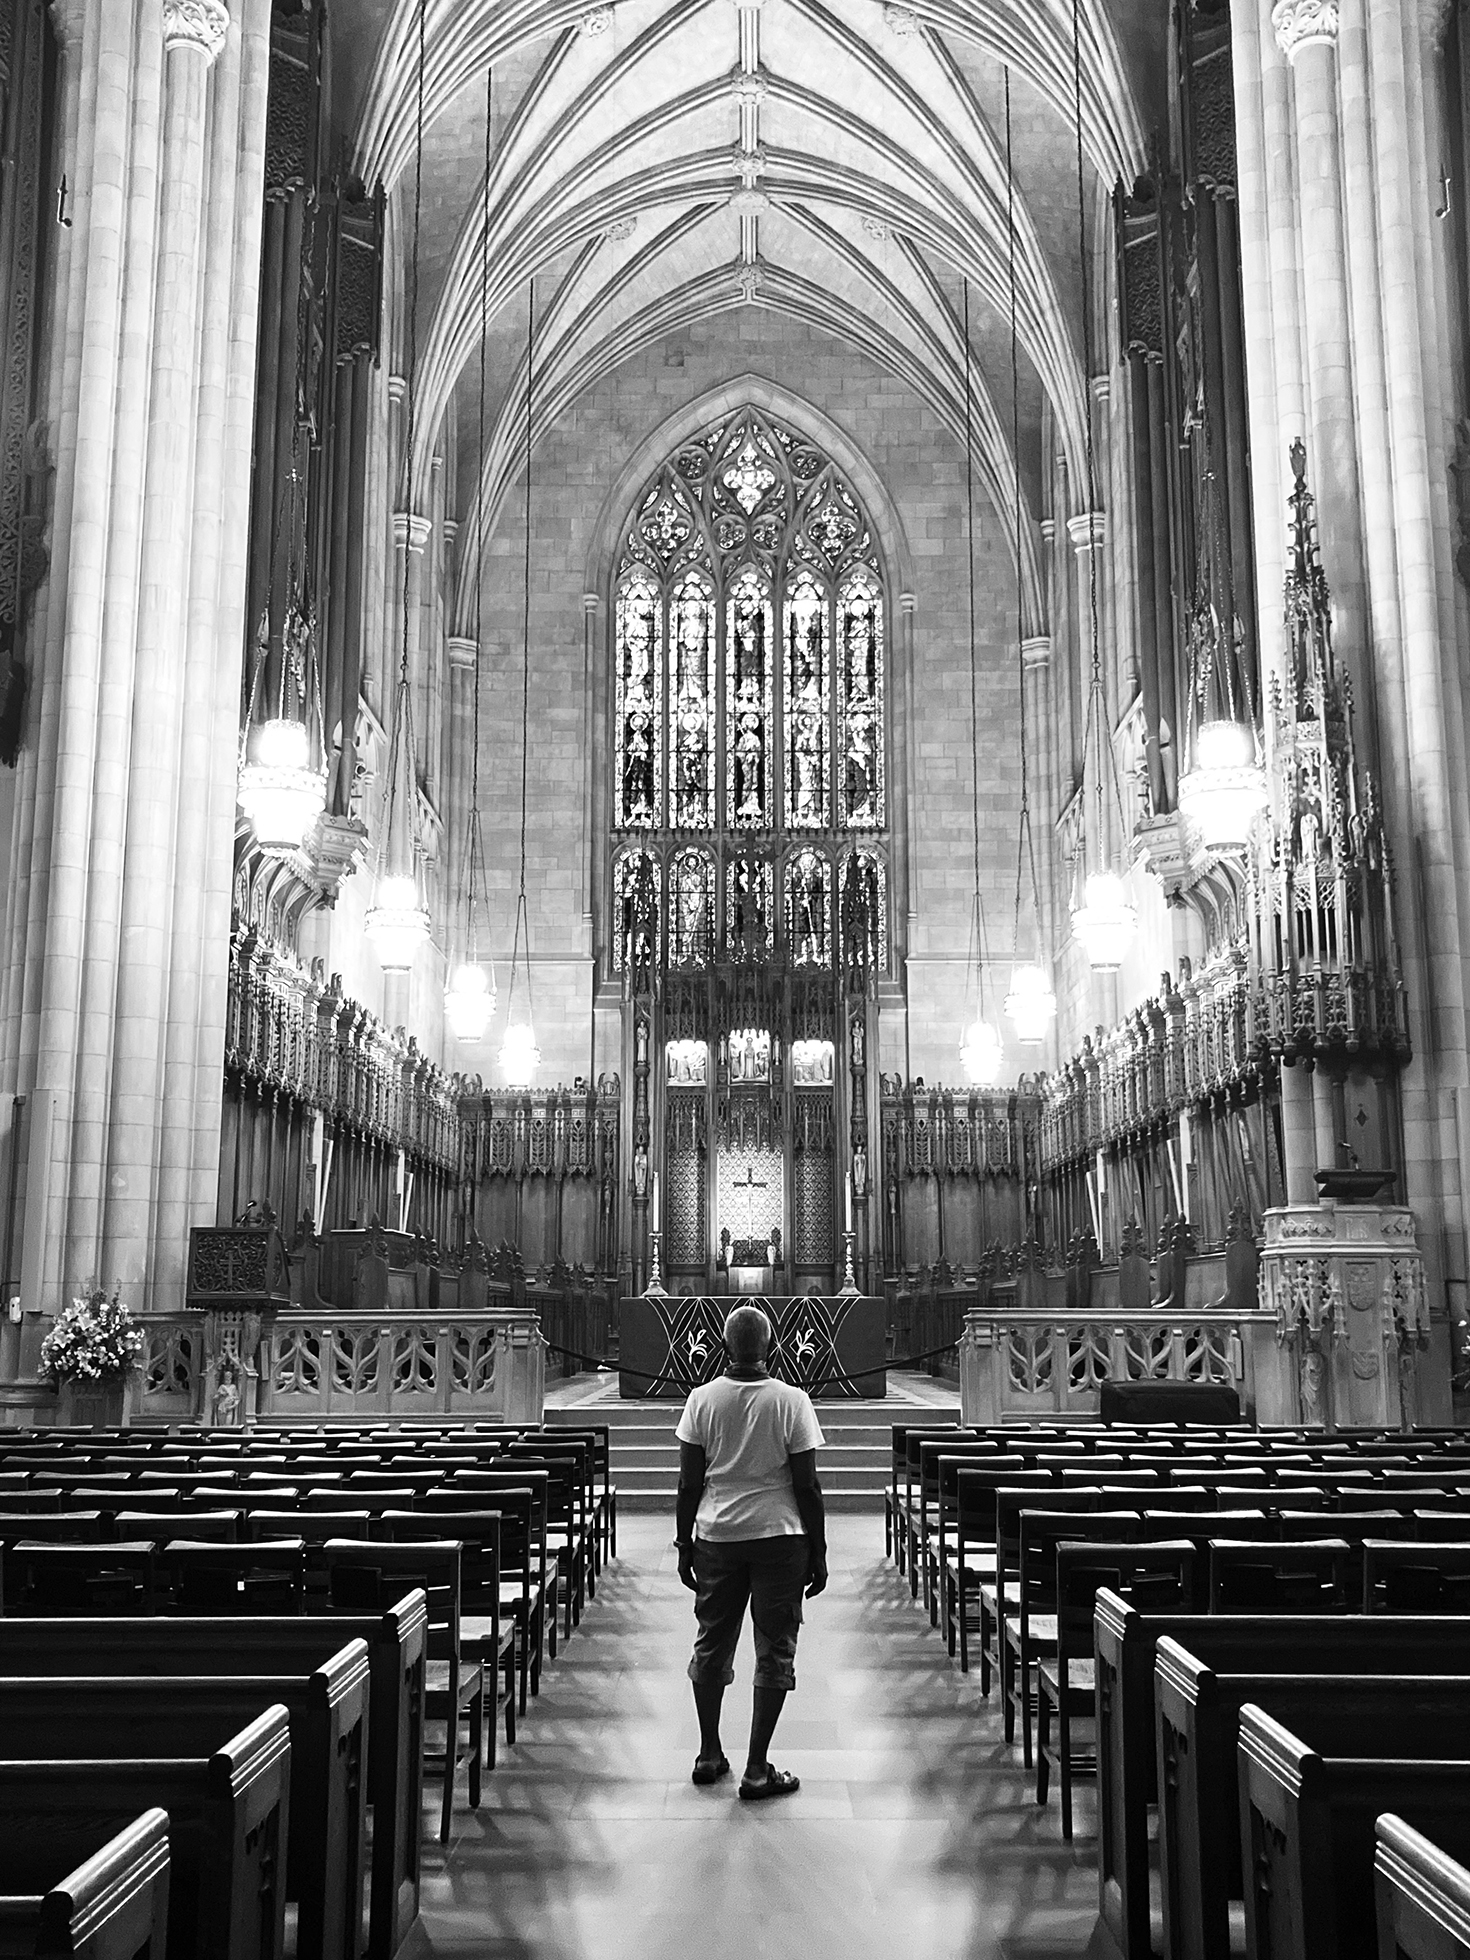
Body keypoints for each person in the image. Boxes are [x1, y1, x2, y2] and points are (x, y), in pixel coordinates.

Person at [675, 1303, 827, 1800]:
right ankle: (757, 1767)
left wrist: (684, 1543)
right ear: (773, 1346)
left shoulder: (701, 1400)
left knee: (711, 1640)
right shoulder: (792, 1400)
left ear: (724, 1346)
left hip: (716, 1537)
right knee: (775, 1646)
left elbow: (688, 1483)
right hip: (781, 1539)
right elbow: (807, 1485)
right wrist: (819, 1548)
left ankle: (708, 1752)